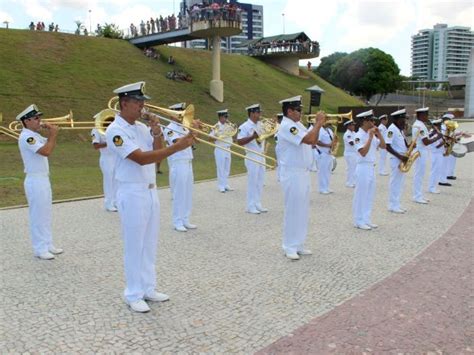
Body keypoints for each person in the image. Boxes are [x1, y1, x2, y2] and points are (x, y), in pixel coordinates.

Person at [106, 82, 194, 312]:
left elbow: (156, 155)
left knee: (149, 243)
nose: (143, 106)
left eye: (143, 101)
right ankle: (132, 292)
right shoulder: (116, 131)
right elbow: (141, 158)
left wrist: (156, 131)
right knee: (134, 244)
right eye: (138, 102)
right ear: (124, 103)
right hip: (132, 191)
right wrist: (178, 147)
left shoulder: (141, 128)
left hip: (150, 189)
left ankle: (148, 287)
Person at [277, 96, 325, 260]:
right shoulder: (287, 126)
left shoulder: (297, 124)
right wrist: (318, 123)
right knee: (293, 209)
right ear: (289, 111)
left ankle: (299, 243)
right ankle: (289, 245)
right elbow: (309, 139)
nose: (301, 112)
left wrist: (317, 127)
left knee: (302, 210)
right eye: (298, 110)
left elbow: (313, 141)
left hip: (303, 172)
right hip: (292, 172)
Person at [17, 104, 63, 260]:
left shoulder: (34, 135)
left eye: (39, 118)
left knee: (46, 213)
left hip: (43, 178)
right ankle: (39, 248)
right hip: (34, 179)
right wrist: (53, 134)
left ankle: (48, 243)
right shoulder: (27, 137)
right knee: (38, 215)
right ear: (27, 121)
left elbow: (48, 145)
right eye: (36, 118)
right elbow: (46, 151)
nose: (40, 121)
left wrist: (51, 133)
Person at [163, 102, 197, 232]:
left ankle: (185, 219)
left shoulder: (184, 127)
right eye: (179, 113)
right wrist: (191, 133)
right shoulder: (170, 128)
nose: (181, 116)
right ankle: (177, 221)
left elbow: (194, 142)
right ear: (172, 115)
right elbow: (179, 144)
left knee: (187, 193)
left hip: (188, 162)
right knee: (179, 194)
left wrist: (194, 131)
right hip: (178, 163)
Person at [352, 110, 386, 230]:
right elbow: (363, 153)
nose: (373, 122)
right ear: (364, 121)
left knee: (369, 195)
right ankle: (358, 220)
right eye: (371, 120)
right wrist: (371, 138)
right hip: (363, 167)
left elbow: (383, 146)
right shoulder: (358, 136)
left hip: (371, 167)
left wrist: (379, 134)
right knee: (361, 195)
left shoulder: (369, 133)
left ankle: (366, 218)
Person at [237, 104, 267, 214]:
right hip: (252, 155)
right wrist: (252, 136)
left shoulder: (260, 124)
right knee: (252, 181)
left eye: (260, 112)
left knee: (260, 181)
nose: (260, 115)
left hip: (261, 155)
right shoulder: (244, 126)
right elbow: (239, 142)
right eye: (258, 112)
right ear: (252, 113)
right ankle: (250, 205)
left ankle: (257, 203)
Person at [411, 107, 443, 204]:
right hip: (420, 151)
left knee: (420, 174)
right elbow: (426, 142)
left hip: (422, 151)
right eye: (426, 115)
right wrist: (437, 137)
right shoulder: (419, 126)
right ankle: (417, 196)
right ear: (421, 115)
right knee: (419, 175)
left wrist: (433, 134)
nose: (427, 117)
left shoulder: (420, 124)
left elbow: (425, 138)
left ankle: (419, 195)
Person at [385, 109, 409, 213]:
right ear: (397, 119)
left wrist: (409, 146)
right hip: (396, 159)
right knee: (395, 182)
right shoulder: (391, 129)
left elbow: (401, 143)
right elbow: (387, 146)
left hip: (402, 158)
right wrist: (400, 156)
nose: (404, 121)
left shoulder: (399, 129)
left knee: (400, 183)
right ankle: (392, 205)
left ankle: (397, 203)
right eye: (402, 119)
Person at [91, 122, 118, 212]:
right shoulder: (96, 130)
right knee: (109, 181)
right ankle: (108, 203)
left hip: (116, 157)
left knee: (117, 180)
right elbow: (96, 146)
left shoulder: (114, 129)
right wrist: (109, 143)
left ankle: (116, 202)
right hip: (106, 158)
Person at [210, 109, 234, 193]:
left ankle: (226, 184)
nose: (227, 119)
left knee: (227, 168)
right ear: (220, 117)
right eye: (225, 117)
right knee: (221, 168)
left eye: (227, 117)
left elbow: (233, 133)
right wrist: (217, 135)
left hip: (228, 148)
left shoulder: (229, 125)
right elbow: (209, 138)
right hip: (220, 149)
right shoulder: (216, 126)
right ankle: (221, 186)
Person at [315, 120, 335, 194]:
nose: (328, 122)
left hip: (329, 153)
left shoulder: (329, 130)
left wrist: (333, 145)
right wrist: (328, 145)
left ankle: (327, 186)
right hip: (322, 153)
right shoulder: (319, 130)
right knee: (322, 171)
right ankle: (322, 188)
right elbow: (317, 141)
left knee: (328, 171)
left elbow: (332, 140)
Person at [428, 118, 445, 194]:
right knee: (434, 171)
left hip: (439, 153)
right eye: (439, 125)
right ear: (435, 126)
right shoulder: (432, 133)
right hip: (435, 154)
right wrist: (445, 141)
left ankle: (434, 186)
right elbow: (436, 146)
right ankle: (431, 187)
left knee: (437, 171)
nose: (440, 126)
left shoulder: (438, 132)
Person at [342, 119, 357, 188]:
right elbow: (351, 143)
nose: (354, 126)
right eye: (352, 125)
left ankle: (353, 181)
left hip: (354, 153)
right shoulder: (347, 134)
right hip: (350, 153)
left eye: (354, 125)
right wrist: (358, 140)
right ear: (348, 126)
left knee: (353, 168)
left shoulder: (354, 133)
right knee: (351, 168)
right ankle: (349, 182)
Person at [274, 113, 284, 182]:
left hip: (283, 146)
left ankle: (282, 175)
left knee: (283, 161)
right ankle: (279, 176)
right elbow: (276, 137)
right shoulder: (277, 126)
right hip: (280, 146)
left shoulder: (282, 125)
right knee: (280, 161)